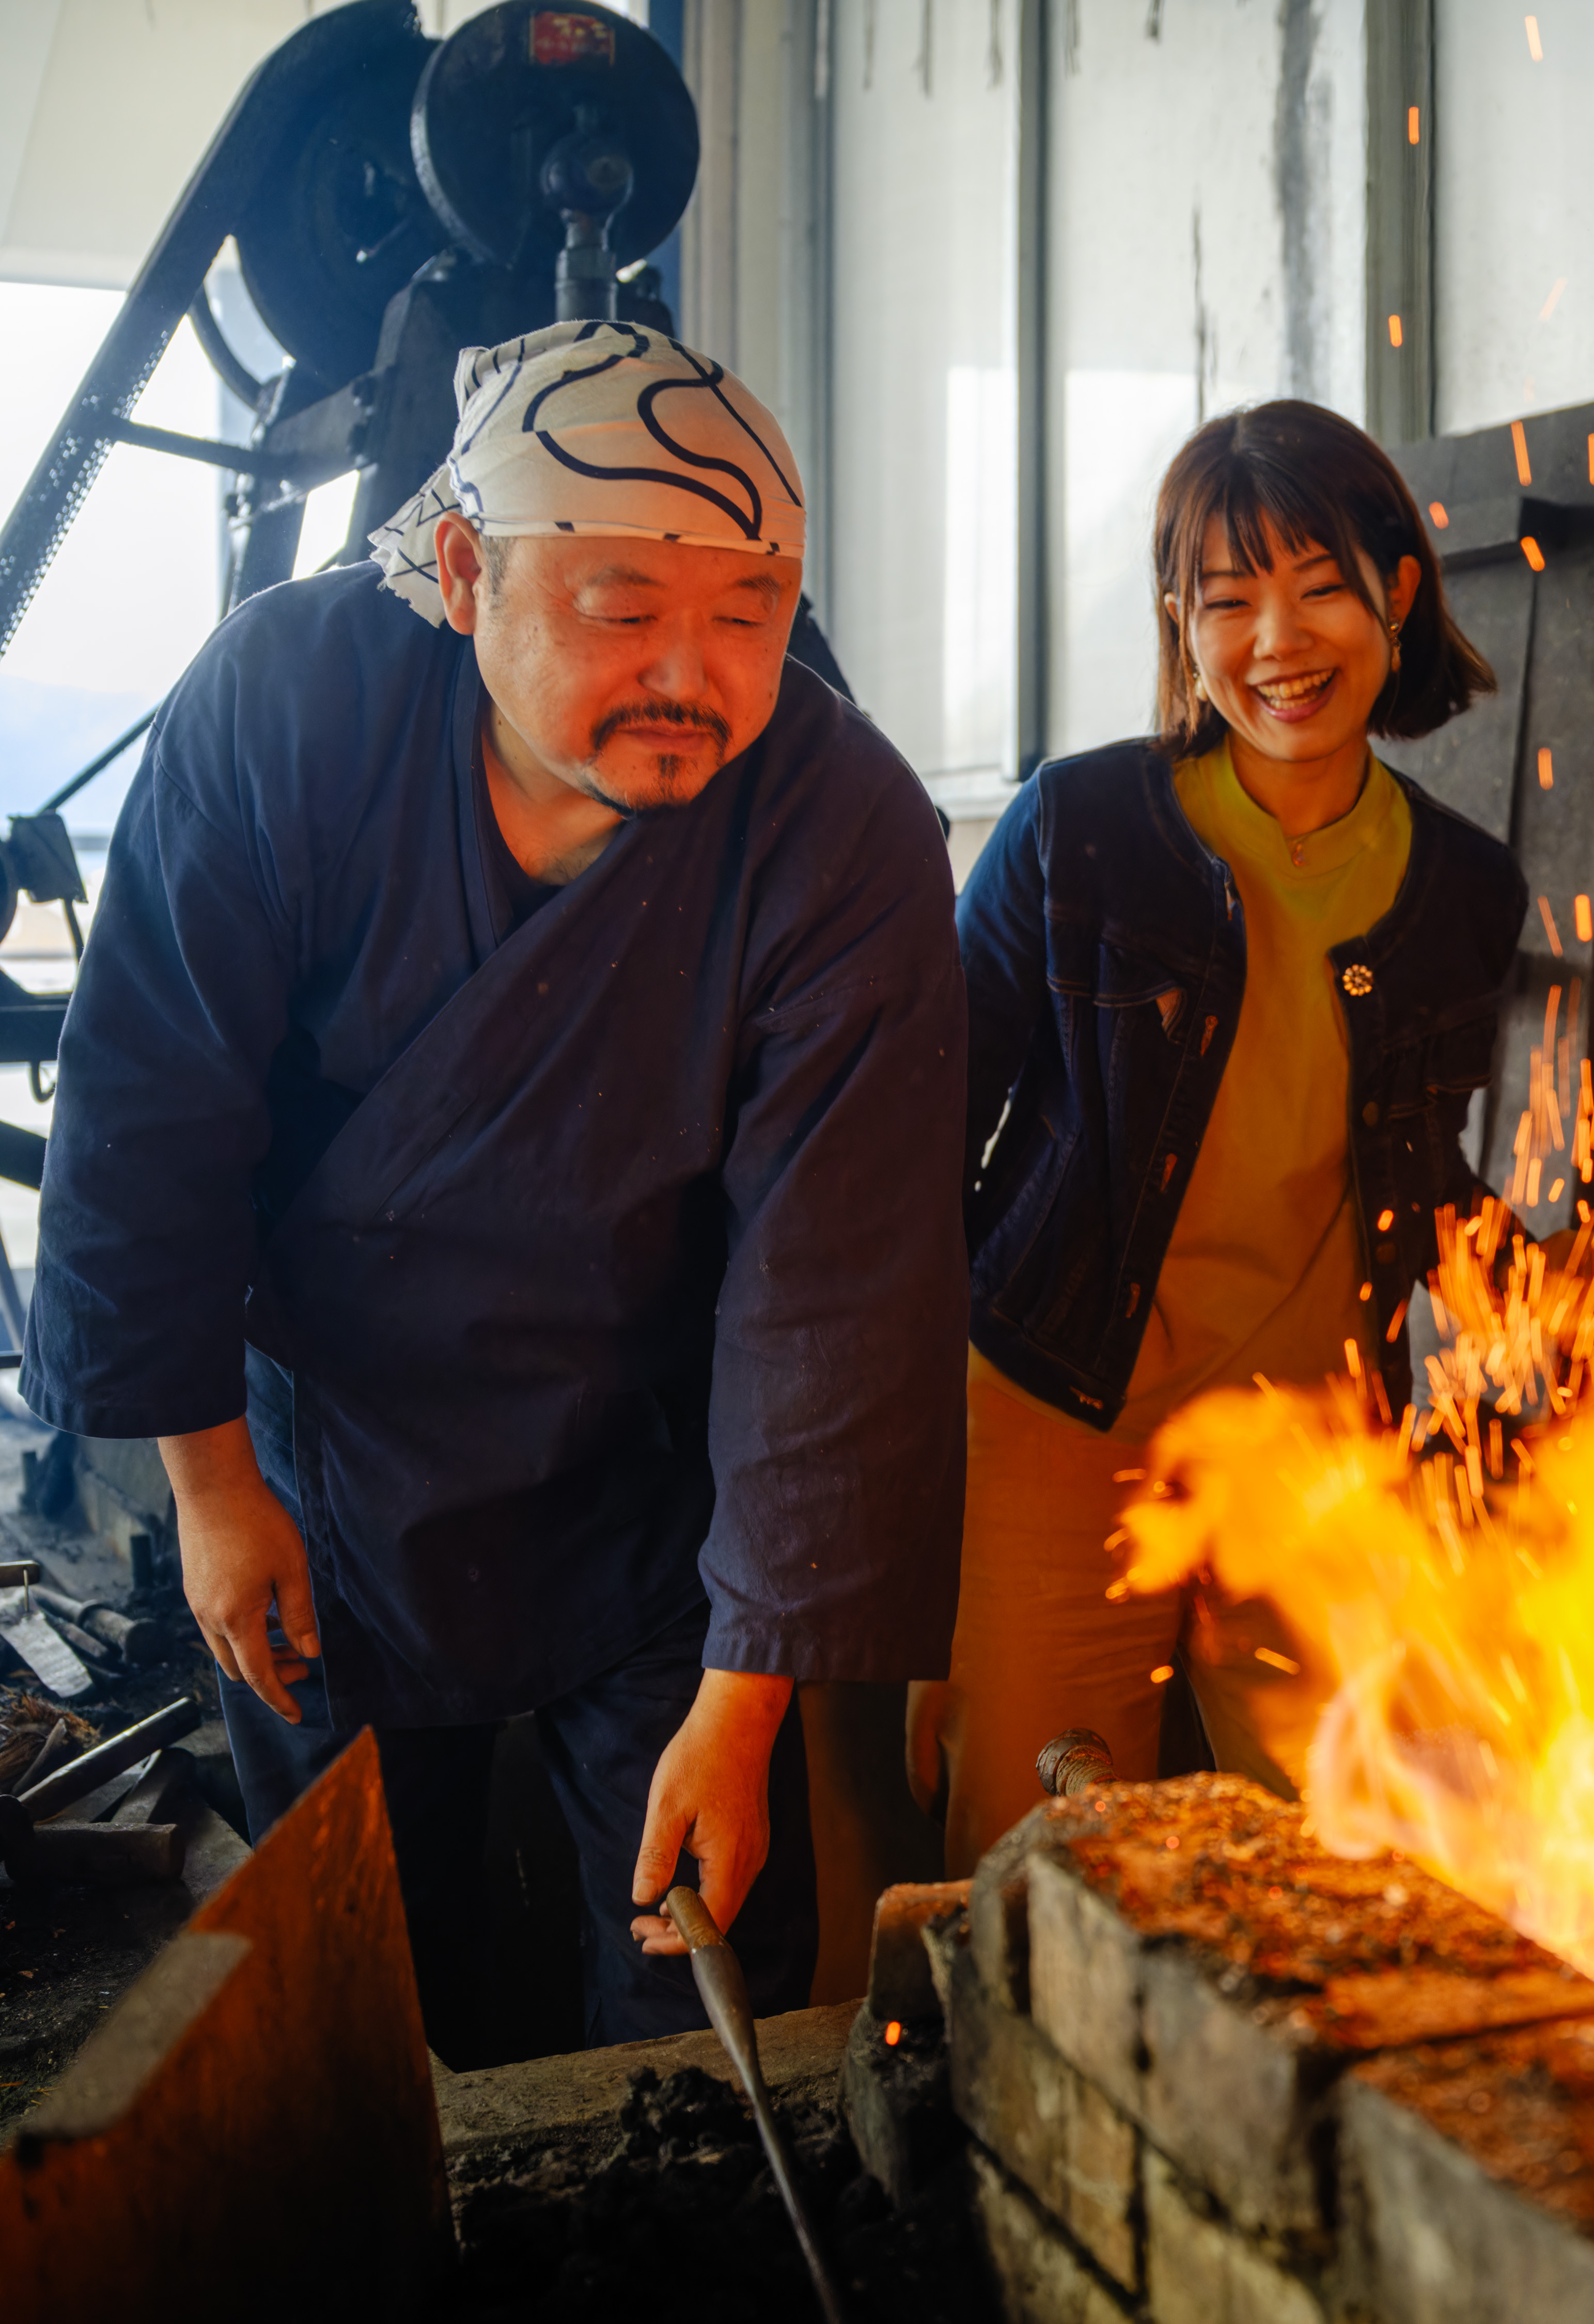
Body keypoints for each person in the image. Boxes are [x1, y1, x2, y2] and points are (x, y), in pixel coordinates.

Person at [20, 323, 967, 2059]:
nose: (692, 672)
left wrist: (748, 1701)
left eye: (747, 612)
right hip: (335, 1473)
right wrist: (216, 1487)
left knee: (699, 1986)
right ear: (463, 570)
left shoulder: (841, 831)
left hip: (656, 1491)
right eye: (622, 609)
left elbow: (838, 1289)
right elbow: (150, 1114)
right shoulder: (286, 708)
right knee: (371, 1982)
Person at [916, 400, 1525, 1873]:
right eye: (1228, 598)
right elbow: (917, 1134)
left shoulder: (1462, 888)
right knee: (1045, 1861)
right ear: (1181, 625)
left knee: (1344, 1855)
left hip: (1312, 1445)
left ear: (1395, 591)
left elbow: (1414, 1161)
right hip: (1060, 1430)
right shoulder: (1079, 830)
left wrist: (1536, 1292)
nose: (1277, 641)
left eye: (1318, 586)